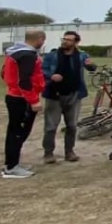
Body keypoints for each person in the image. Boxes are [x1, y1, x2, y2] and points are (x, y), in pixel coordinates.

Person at [40, 30, 97, 163]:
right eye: (64, 39)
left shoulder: (82, 56)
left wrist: (91, 65)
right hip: (54, 95)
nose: (65, 41)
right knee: (51, 126)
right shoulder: (52, 55)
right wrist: (51, 76)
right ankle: (48, 153)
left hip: (74, 94)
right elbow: (42, 70)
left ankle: (69, 152)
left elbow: (92, 68)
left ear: (76, 42)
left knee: (72, 126)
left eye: (69, 40)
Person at [1, 29, 47, 178]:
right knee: (18, 132)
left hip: (14, 96)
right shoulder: (27, 55)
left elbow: (3, 72)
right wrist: (33, 100)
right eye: (43, 40)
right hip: (21, 99)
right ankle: (11, 167)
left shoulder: (14, 52)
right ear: (40, 39)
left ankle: (12, 163)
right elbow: (24, 81)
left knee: (15, 131)